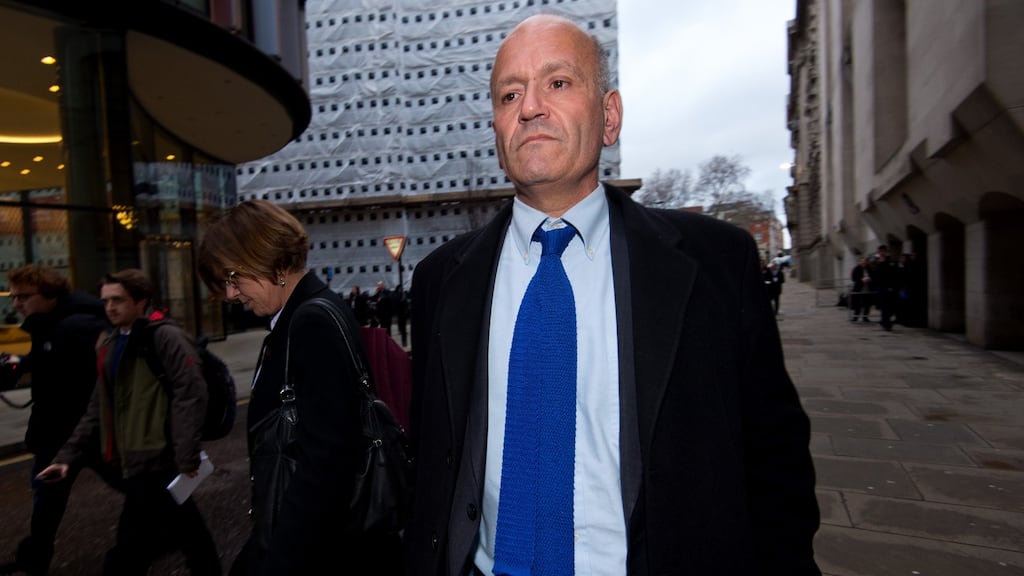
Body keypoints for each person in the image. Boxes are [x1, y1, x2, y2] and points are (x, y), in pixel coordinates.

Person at [405, 14, 820, 575]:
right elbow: (431, 464)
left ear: (609, 116)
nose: (530, 107)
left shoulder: (715, 263)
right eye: (510, 93)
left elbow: (776, 461)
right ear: (498, 128)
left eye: (558, 83)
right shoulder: (439, 282)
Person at [196, 199, 401, 575]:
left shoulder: (310, 321)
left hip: (319, 549)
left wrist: (280, 559)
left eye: (232, 277)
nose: (230, 294)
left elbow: (325, 464)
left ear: (267, 259)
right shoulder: (302, 314)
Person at [37, 269, 220, 575]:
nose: (109, 307)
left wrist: (186, 455)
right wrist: (66, 457)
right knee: (187, 534)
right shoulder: (109, 343)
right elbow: (98, 407)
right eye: (106, 300)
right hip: (133, 458)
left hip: (159, 458)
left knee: (131, 547)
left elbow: (191, 395)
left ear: (141, 301)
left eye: (118, 300)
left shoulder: (166, 337)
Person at [0, 265, 114, 575]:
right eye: (14, 297)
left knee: (140, 486)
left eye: (24, 296)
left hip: (86, 430)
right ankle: (33, 562)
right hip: (56, 431)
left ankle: (169, 533)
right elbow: (49, 358)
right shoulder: (48, 322)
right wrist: (19, 363)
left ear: (50, 295)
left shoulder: (80, 324)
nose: (17, 304)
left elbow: (98, 370)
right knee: (46, 499)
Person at [849, 256, 873, 322]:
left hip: (867, 288)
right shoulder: (856, 269)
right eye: (862, 261)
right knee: (857, 303)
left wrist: (869, 279)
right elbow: (853, 278)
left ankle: (865, 317)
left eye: (865, 261)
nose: (863, 263)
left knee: (867, 303)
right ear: (859, 262)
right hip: (859, 288)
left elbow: (873, 276)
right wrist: (861, 280)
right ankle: (856, 316)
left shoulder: (869, 268)